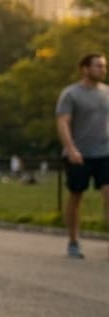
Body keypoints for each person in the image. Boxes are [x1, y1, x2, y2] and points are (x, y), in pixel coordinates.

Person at [56, 52, 109, 260]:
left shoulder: (107, 93)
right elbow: (62, 122)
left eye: (104, 66)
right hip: (79, 154)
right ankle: (73, 241)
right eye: (98, 66)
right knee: (76, 197)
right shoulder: (71, 94)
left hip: (105, 152)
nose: (103, 70)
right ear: (85, 69)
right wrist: (70, 149)